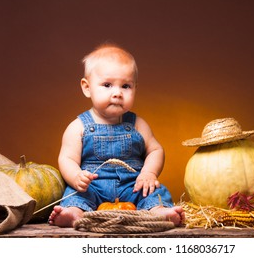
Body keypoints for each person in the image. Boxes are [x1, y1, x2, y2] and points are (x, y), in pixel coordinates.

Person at [48, 43, 184, 227]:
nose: (117, 93)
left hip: (133, 185)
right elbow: (66, 158)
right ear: (87, 87)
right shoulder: (78, 126)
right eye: (107, 85)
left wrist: (149, 173)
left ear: (135, 88)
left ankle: (159, 212)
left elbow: (155, 150)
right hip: (93, 187)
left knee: (153, 192)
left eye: (126, 86)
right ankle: (73, 213)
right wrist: (76, 176)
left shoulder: (138, 124)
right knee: (76, 194)